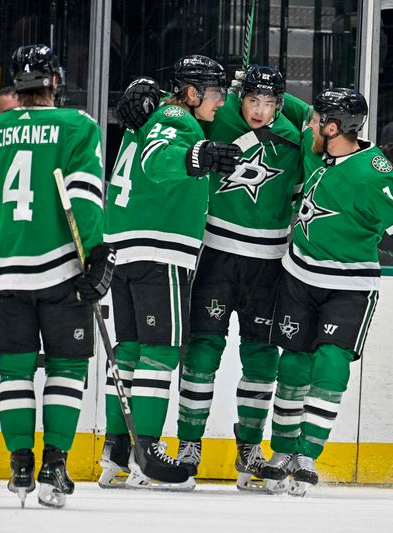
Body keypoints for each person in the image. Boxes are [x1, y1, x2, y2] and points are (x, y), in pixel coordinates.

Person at [260, 88, 393, 496]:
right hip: (298, 276)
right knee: (292, 364)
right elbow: (296, 107)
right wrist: (269, 88)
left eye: (316, 122)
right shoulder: (317, 147)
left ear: (332, 127)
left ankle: (307, 453)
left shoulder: (373, 174)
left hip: (349, 285)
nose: (308, 125)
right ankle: (282, 451)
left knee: (330, 359)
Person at [0, 44, 114, 509]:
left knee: (14, 371)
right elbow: (85, 199)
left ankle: (20, 463)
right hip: (60, 272)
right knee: (66, 370)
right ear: (55, 83)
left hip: (3, 272)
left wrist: (9, 243)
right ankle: (54, 467)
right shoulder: (77, 125)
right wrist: (95, 255)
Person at [98, 55, 241, 490]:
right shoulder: (177, 118)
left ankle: (117, 453)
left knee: (131, 350)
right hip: (159, 250)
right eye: (215, 93)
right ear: (192, 92)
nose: (220, 103)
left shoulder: (152, 113)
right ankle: (149, 456)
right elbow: (156, 163)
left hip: (121, 246)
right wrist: (199, 155)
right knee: (160, 353)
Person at [172, 65, 302, 490]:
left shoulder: (297, 132)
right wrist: (233, 82)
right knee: (203, 351)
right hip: (217, 256)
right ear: (238, 96)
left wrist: (281, 94)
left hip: (269, 263)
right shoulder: (219, 111)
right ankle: (189, 444)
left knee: (262, 358)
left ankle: (249, 450)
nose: (260, 111)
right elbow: (184, 104)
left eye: (270, 103)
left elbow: (319, 115)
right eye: (253, 100)